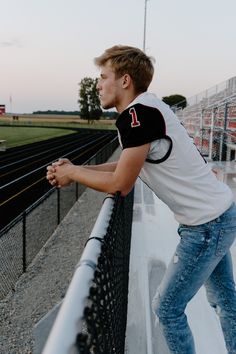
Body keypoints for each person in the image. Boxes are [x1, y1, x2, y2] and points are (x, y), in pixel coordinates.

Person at [46, 45, 236, 353]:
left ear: (124, 80)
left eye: (103, 76)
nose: (98, 84)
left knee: (167, 309)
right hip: (218, 215)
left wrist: (75, 174)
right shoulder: (146, 109)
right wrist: (75, 169)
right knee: (225, 300)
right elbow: (125, 166)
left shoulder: (138, 114)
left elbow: (121, 183)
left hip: (207, 226)